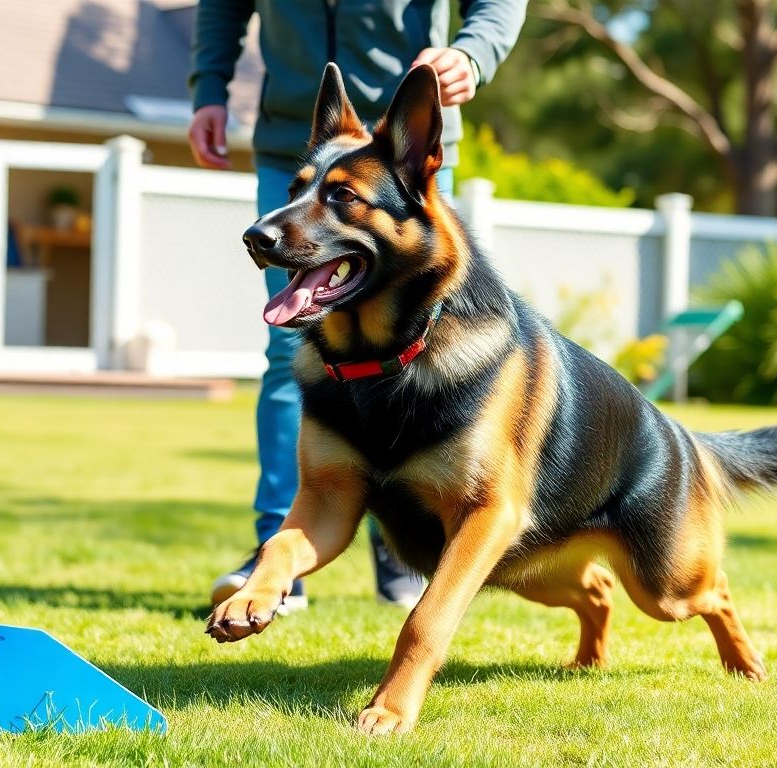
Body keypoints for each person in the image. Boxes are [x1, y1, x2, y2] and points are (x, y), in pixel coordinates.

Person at [189, 0, 527, 612]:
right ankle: (279, 558)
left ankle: (404, 551)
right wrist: (209, 86)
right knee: (296, 343)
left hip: (403, 139)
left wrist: (474, 53)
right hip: (302, 130)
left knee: (415, 351)